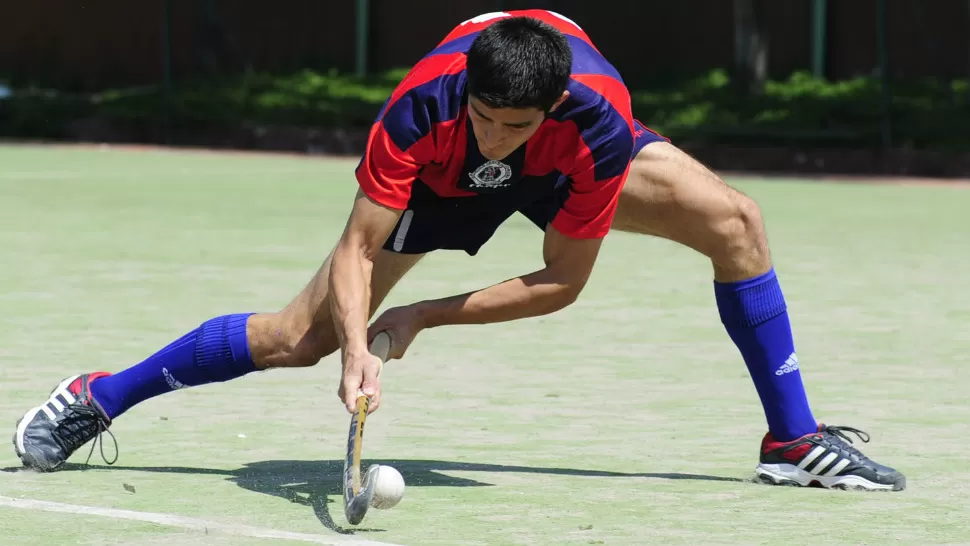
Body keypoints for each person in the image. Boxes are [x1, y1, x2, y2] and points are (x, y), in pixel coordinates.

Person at [13, 10, 903, 491]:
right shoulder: (421, 111)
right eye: (485, 117)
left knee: (737, 223)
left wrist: (423, 318)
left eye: (514, 125)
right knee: (299, 337)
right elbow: (359, 249)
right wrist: (361, 348)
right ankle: (99, 396)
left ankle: (791, 442)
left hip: (567, 180)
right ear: (465, 91)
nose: (497, 137)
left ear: (550, 111)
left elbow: (563, 281)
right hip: (432, 187)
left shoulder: (593, 125)